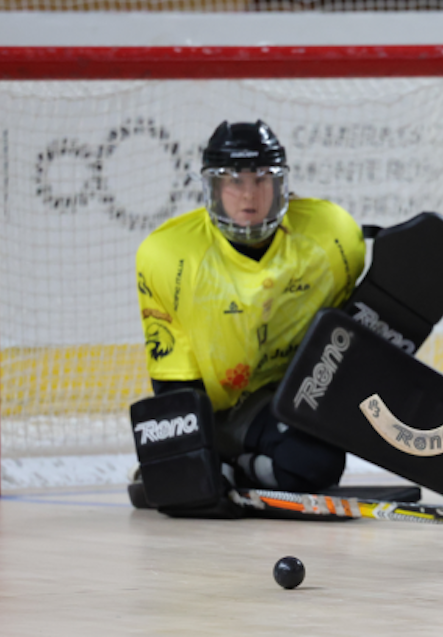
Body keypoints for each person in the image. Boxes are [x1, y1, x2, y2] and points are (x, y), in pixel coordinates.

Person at [134, 120, 365, 501]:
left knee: (317, 464)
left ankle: (235, 469)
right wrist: (187, 452)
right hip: (224, 409)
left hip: (297, 392)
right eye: (234, 181)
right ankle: (221, 460)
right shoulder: (170, 257)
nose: (249, 195)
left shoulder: (333, 235)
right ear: (213, 188)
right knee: (294, 467)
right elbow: (172, 376)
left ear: (280, 185)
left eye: (261, 180)